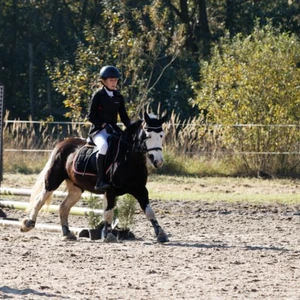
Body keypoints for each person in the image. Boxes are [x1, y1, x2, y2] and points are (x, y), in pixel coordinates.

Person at [87, 65, 131, 191]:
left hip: (114, 129)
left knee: (126, 145)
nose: (114, 83)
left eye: (116, 80)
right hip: (99, 131)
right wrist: (103, 125)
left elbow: (124, 117)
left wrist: (133, 127)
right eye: (111, 80)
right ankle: (100, 180)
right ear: (104, 81)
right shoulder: (98, 95)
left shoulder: (119, 97)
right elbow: (90, 116)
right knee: (104, 147)